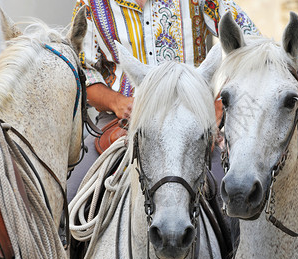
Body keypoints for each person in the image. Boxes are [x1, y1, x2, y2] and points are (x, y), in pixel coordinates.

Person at [67, 0, 259, 201]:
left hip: (197, 122)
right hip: (120, 123)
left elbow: (252, 46)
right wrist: (116, 102)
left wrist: (220, 104)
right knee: (71, 197)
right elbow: (82, 72)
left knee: (234, 200)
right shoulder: (91, 4)